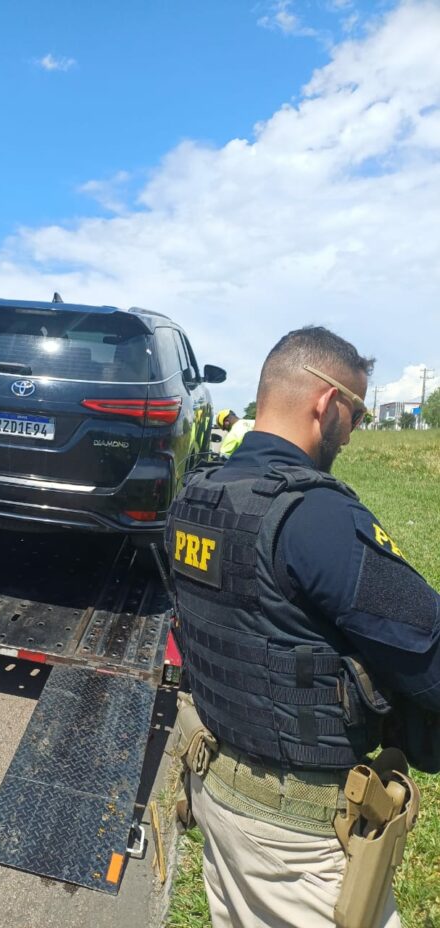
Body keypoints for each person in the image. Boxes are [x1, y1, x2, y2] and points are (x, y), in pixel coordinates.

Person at [166, 326, 440, 928]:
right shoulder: (317, 516)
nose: (357, 429)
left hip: (218, 793)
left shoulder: (196, 495)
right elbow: (429, 652)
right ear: (327, 405)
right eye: (358, 412)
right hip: (298, 842)